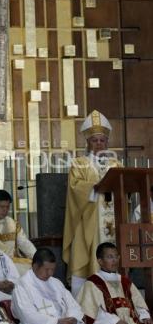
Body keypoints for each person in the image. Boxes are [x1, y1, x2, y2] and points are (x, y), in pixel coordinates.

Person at [11, 248, 108, 324]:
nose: (50, 273)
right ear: (35, 266)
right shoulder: (22, 285)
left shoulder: (55, 282)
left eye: (53, 269)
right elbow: (27, 315)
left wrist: (72, 318)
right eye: (47, 269)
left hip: (64, 323)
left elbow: (72, 304)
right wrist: (56, 322)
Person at [62, 110, 122, 297]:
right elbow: (75, 188)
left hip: (112, 221)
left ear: (107, 143)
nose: (98, 144)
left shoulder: (116, 165)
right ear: (87, 142)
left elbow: (123, 190)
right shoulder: (79, 163)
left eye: (102, 140)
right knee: (85, 260)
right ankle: (84, 304)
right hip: (88, 222)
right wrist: (96, 186)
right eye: (94, 140)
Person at [77, 242, 153, 324]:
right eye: (110, 257)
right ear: (100, 261)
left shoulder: (125, 281)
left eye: (116, 256)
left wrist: (145, 316)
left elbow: (138, 303)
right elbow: (90, 312)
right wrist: (114, 321)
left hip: (133, 323)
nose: (115, 260)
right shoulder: (92, 283)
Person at [0, 189, 36, 274]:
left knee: (34, 268)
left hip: (12, 261)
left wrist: (37, 258)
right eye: (2, 207)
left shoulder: (13, 224)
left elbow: (25, 243)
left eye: (7, 207)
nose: (5, 210)